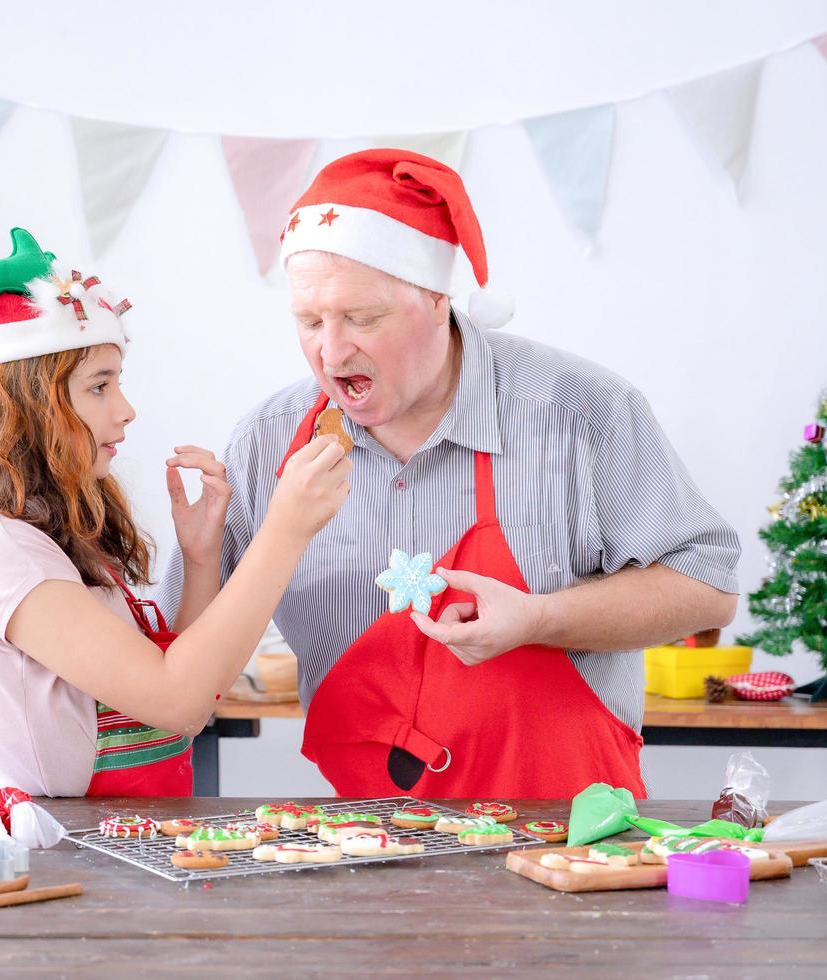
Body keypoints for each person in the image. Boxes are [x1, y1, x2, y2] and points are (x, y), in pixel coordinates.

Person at [159, 151, 740, 798]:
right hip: (364, 846)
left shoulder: (580, 413)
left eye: (362, 317)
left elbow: (707, 587)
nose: (331, 350)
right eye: (309, 321)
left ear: (436, 300)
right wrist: (203, 554)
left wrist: (539, 619)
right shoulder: (267, 442)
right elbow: (180, 680)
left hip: (570, 840)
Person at [0, 228, 350, 797]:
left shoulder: (47, 536)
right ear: (24, 408)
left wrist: (202, 557)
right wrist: (285, 531)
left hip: (122, 837)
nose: (126, 410)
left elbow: (185, 698)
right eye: (99, 387)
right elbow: (176, 703)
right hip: (62, 850)